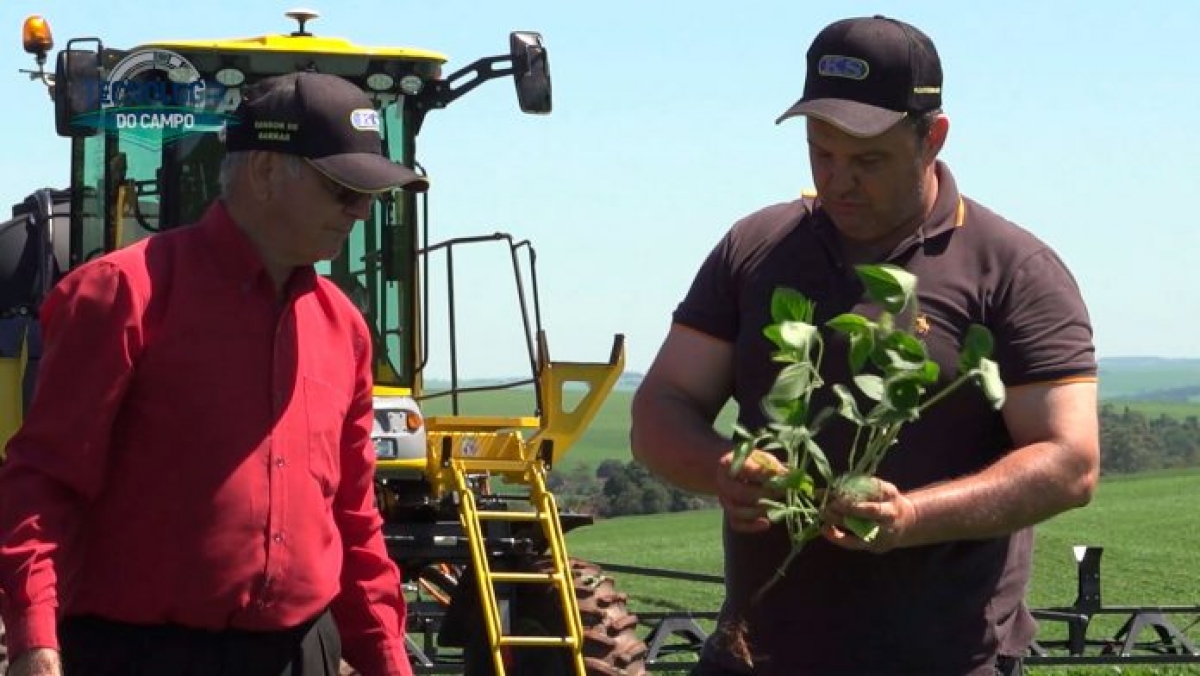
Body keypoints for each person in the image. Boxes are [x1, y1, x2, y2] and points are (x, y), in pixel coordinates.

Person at [631, 15, 1100, 676]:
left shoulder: (1011, 270)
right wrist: (721, 469)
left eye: (868, 159)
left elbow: (1069, 461)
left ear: (931, 137)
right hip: (753, 659)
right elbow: (661, 408)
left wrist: (911, 517)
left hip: (945, 661)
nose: (839, 179)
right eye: (822, 151)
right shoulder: (757, 249)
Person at [0, 71, 428, 676]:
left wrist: (387, 659)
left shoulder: (346, 331)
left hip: (301, 654)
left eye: (369, 195)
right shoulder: (123, 294)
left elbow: (354, 518)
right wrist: (34, 640)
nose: (359, 211)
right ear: (263, 173)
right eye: (341, 189)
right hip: (140, 654)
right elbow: (44, 482)